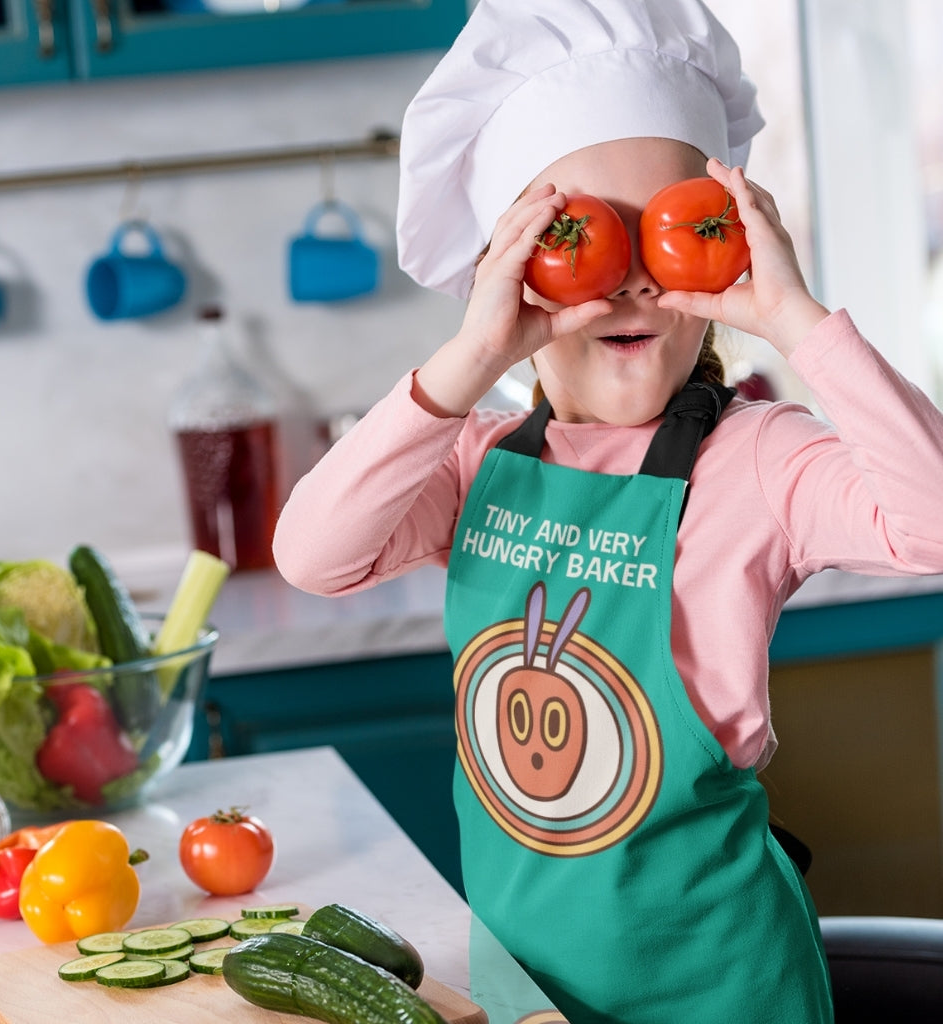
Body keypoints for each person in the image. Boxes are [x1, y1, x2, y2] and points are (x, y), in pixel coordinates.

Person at [273, 1, 943, 1020]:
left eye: (672, 235)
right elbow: (312, 553)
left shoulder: (755, 459)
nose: (629, 276)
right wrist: (470, 360)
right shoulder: (468, 461)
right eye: (579, 235)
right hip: (528, 991)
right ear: (506, 266)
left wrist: (795, 319)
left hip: (724, 991)